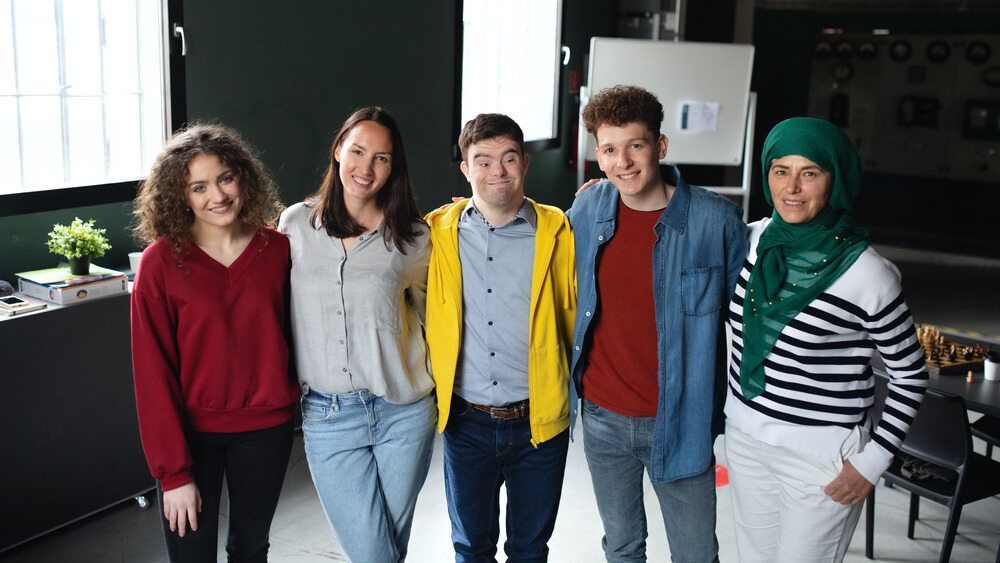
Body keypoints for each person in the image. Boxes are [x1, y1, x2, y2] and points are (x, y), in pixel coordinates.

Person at [724, 117, 928, 562]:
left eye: (810, 173)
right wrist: (608, 192)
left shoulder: (868, 274)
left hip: (819, 458)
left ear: (835, 180)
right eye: (781, 170)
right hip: (745, 440)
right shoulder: (750, 241)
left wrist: (873, 463)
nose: (792, 187)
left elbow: (910, 375)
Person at [569, 85, 748, 562]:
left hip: (682, 419)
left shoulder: (716, 221)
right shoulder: (588, 209)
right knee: (622, 547)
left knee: (695, 554)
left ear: (660, 146)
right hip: (603, 416)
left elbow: (750, 319)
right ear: (598, 156)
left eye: (636, 145)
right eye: (610, 149)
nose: (623, 162)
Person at [131, 123, 300, 561]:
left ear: (243, 177)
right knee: (190, 554)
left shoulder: (277, 250)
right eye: (199, 187)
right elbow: (152, 374)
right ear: (180, 196)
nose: (218, 195)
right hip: (191, 436)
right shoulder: (159, 263)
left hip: (266, 431)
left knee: (251, 549)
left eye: (226, 178)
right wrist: (173, 474)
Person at [278, 107, 435, 562]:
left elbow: (437, 316)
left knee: (387, 548)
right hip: (328, 415)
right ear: (338, 151)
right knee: (374, 553)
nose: (366, 168)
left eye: (381, 158)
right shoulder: (295, 225)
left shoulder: (413, 237)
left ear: (393, 167)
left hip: (403, 411)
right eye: (358, 151)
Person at [424, 113, 577, 562]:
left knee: (530, 550)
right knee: (471, 548)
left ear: (525, 162)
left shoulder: (560, 231)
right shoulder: (435, 232)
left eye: (509, 158)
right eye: (483, 161)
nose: (498, 171)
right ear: (465, 169)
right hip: (466, 423)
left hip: (539, 423)